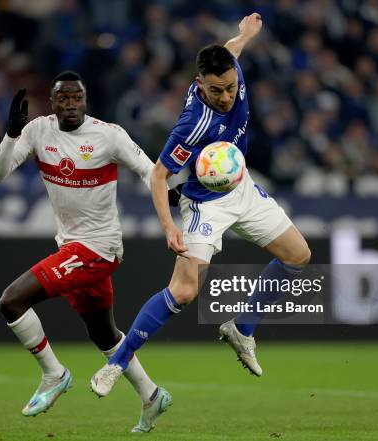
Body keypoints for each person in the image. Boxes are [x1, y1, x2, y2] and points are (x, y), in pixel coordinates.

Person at [91, 13, 311, 398]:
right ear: (200, 85)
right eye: (216, 91)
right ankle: (116, 362)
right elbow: (159, 176)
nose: (226, 96)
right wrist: (168, 226)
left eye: (230, 87)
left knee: (298, 256)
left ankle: (241, 329)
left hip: (241, 187)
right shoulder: (192, 124)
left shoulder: (231, 70)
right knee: (185, 290)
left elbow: (230, 50)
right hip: (204, 204)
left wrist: (244, 34)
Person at [0, 71, 172, 432]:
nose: (71, 104)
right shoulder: (39, 131)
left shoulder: (109, 135)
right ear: (53, 102)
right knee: (104, 334)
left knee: (11, 301)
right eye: (63, 98)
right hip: (71, 245)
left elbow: (150, 172)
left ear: (85, 101)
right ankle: (152, 396)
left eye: (77, 98)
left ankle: (54, 374)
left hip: (99, 248)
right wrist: (11, 134)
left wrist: (172, 197)